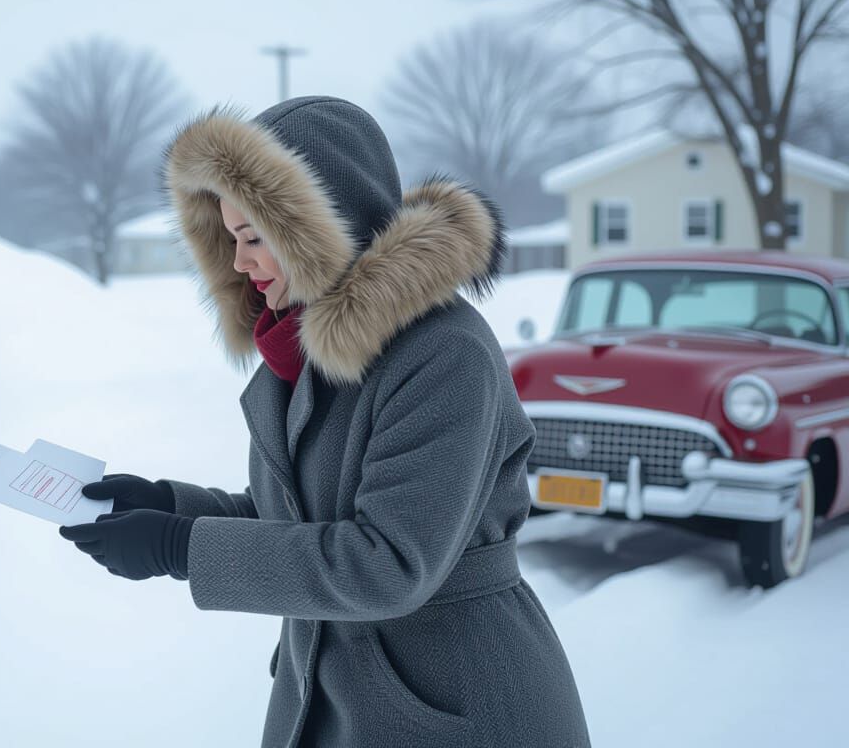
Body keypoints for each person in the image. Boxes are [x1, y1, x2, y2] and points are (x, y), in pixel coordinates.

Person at [58, 96, 591, 748]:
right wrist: (174, 507)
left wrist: (179, 547)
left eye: (253, 238)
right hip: (333, 696)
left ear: (321, 229)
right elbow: (302, 520)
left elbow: (385, 563)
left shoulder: (444, 355)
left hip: (454, 699)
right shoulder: (307, 353)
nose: (239, 264)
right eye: (229, 240)